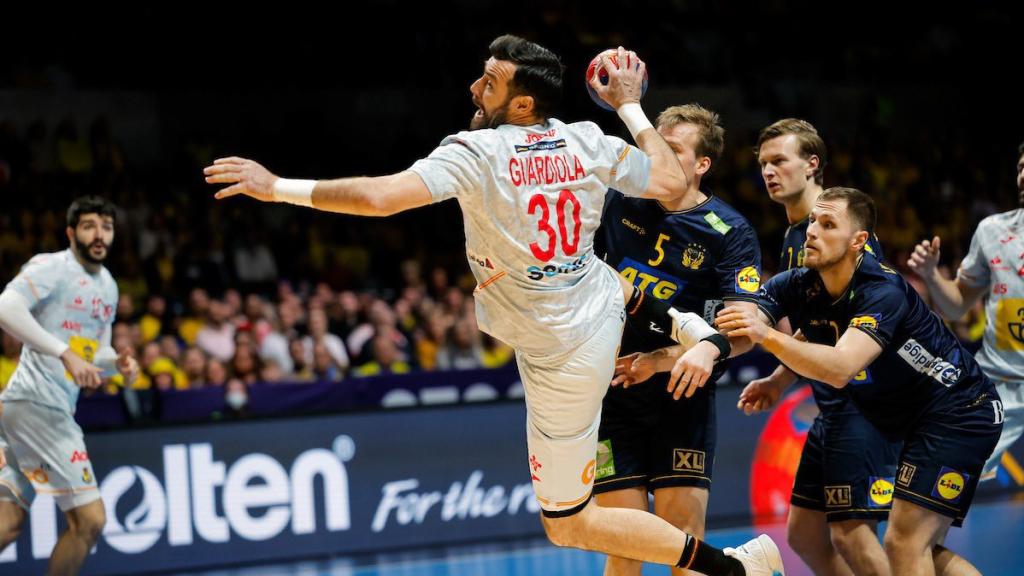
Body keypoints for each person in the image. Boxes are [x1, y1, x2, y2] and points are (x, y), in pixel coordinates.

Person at [204, 35, 782, 576]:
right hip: (591, 302)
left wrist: (276, 185)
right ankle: (686, 327)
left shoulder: (476, 153)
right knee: (604, 276)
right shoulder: (585, 139)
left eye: (489, 82)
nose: (475, 90)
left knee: (570, 525)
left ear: (523, 103)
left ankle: (736, 569)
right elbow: (663, 175)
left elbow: (379, 198)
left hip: (566, 355)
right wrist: (630, 105)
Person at [716, 187, 1001, 575]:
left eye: (828, 224)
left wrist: (767, 337)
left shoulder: (883, 290)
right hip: (900, 417)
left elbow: (839, 367)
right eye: (813, 221)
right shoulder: (798, 284)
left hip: (958, 409)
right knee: (905, 547)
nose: (812, 231)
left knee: (905, 543)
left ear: (859, 241)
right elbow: (743, 335)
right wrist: (686, 352)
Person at [594, 103, 762, 576]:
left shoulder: (730, 232)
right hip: (612, 390)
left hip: (680, 395)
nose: (657, 157)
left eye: (672, 150)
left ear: (701, 164)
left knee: (683, 541)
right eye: (654, 147)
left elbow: (743, 333)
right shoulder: (618, 202)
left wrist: (661, 359)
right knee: (623, 541)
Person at [745, 119, 898, 575]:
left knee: (853, 532)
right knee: (805, 535)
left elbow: (869, 321)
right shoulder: (797, 238)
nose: (769, 172)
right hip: (831, 405)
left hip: (865, 402)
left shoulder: (841, 232)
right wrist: (778, 379)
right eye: (763, 164)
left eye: (779, 161)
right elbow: (816, 328)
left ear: (812, 165)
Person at [0, 196, 139, 575]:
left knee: (7, 523)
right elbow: (5, 307)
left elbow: (94, 354)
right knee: (90, 520)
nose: (99, 234)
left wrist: (119, 366)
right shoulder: (52, 266)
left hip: (22, 411)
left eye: (106, 227)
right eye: (89, 225)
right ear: (71, 232)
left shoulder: (108, 286)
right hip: (36, 407)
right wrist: (64, 353)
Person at [907, 141, 1024, 482]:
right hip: (1002, 384)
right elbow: (957, 303)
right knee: (943, 485)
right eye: (1019, 167)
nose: (1022, 176)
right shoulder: (993, 232)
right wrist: (931, 274)